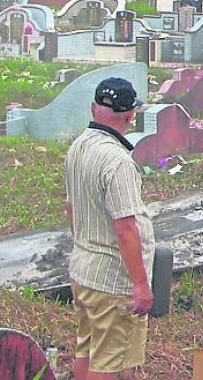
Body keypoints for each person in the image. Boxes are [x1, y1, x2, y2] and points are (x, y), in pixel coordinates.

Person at [65, 78, 153, 378]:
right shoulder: (118, 162)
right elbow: (126, 227)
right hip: (112, 280)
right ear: (130, 116)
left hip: (83, 268)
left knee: (86, 350)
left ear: (93, 108)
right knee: (108, 363)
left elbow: (71, 208)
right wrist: (140, 283)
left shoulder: (78, 147)